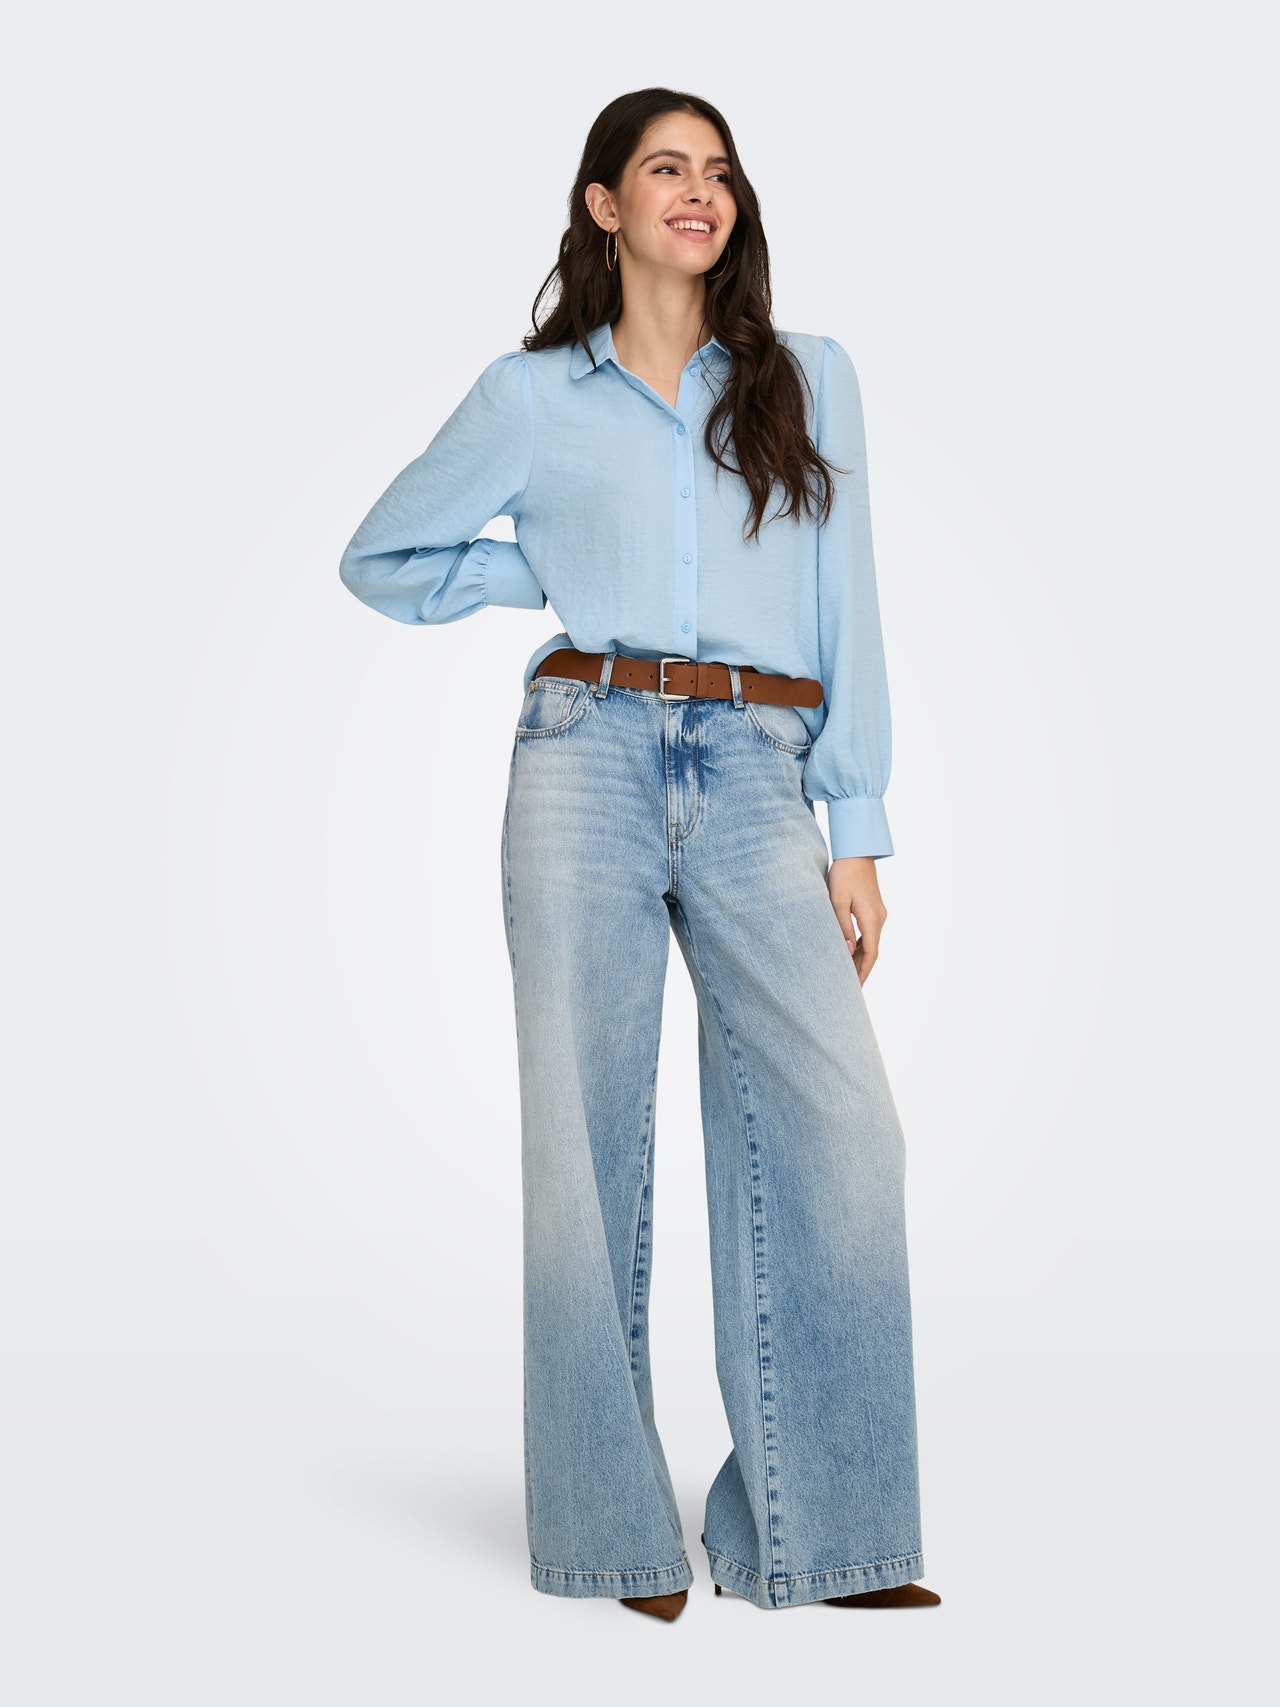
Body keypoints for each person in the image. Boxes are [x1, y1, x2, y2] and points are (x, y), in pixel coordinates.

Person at [337, 87, 940, 1621]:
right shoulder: (532, 396)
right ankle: (613, 1538)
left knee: (845, 1136)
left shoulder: (810, 378)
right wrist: (540, 565)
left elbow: (849, 602)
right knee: (584, 1145)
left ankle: (821, 1534)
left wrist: (857, 826)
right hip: (584, 754)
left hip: (757, 767)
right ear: (604, 204)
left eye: (718, 170)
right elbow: (382, 555)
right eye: (666, 167)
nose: (699, 190)